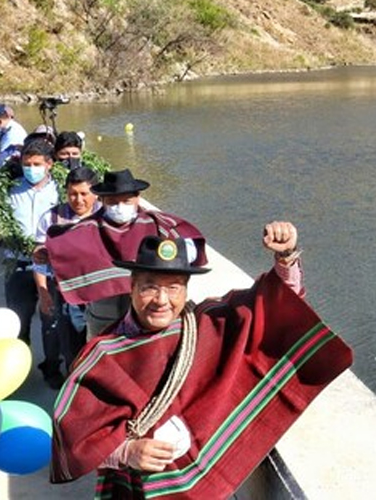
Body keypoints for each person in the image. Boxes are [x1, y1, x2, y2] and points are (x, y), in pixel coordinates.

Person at [51, 227, 353, 498]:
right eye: (149, 286)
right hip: (130, 490)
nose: (161, 300)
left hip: (204, 489)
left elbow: (271, 309)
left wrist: (285, 258)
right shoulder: (103, 354)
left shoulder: (207, 324)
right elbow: (73, 438)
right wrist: (126, 452)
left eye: (173, 287)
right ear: (131, 286)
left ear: (185, 289)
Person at [45, 169, 207, 338]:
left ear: (137, 198)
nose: (120, 207)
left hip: (148, 303)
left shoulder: (158, 223)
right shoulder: (88, 228)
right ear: (102, 200)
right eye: (113, 202)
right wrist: (45, 252)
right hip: (104, 308)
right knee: (103, 347)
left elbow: (189, 246)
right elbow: (61, 244)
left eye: (126, 201)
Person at [0, 137, 59, 382]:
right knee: (18, 318)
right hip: (18, 264)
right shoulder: (9, 190)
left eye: (36, 164)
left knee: (51, 319)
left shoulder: (62, 191)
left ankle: (52, 367)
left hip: (51, 267)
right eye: (27, 164)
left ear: (49, 165)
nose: (31, 169)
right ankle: (18, 370)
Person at [31, 166, 100, 387]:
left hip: (102, 296)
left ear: (96, 193)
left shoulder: (107, 218)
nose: (78, 200)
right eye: (72, 194)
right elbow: (39, 262)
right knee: (70, 343)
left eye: (84, 194)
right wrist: (43, 293)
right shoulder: (51, 218)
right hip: (67, 295)